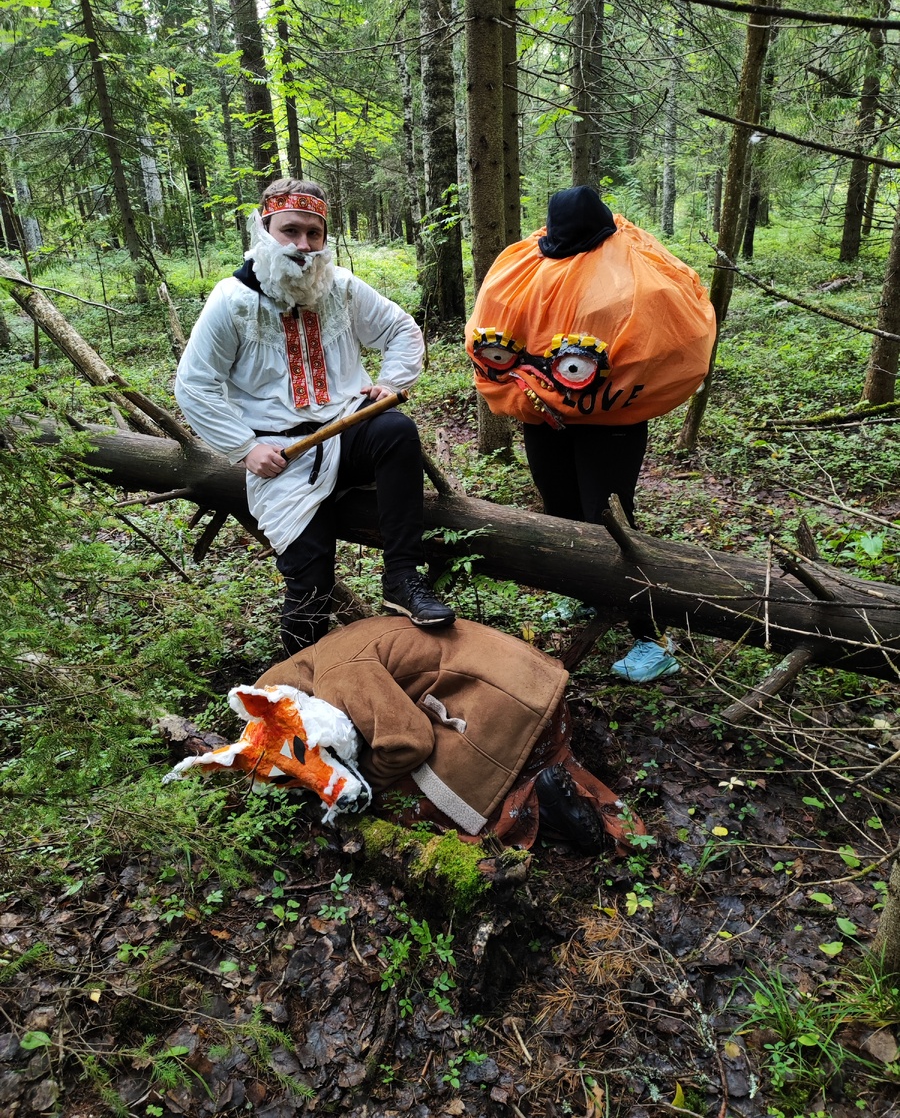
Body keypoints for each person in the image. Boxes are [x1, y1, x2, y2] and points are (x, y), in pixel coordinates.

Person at [175, 178, 454, 655]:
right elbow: (194, 384)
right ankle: (300, 680)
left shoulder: (341, 287)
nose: (304, 245)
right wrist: (246, 448)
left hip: (347, 434)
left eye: (314, 233)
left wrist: (391, 382)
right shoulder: (232, 300)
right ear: (265, 231)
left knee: (395, 429)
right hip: (281, 458)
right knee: (310, 583)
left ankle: (402, 577)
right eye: (290, 231)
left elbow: (401, 329)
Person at [465, 186, 715, 683]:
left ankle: (652, 637)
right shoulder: (526, 265)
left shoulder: (634, 268)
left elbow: (670, 331)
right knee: (561, 510)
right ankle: (587, 594)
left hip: (611, 426)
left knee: (612, 520)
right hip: (543, 418)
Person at [164, 616, 645, 856]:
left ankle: (540, 808)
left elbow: (408, 742)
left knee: (408, 798)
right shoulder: (333, 646)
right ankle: (548, 781)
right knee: (541, 757)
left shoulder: (337, 677)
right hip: (544, 694)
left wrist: (368, 784)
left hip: (507, 711)